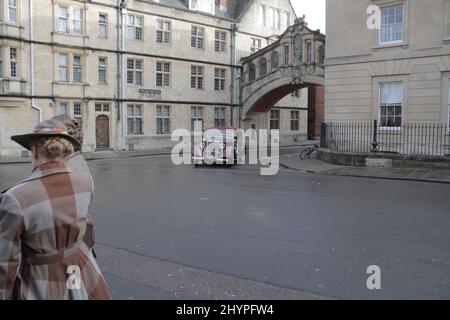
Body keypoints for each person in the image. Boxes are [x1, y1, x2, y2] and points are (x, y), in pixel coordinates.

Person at [0, 119, 111, 300]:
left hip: (43, 277)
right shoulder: (85, 182)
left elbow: (6, 264)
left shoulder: (15, 198)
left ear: (35, 150)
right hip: (82, 266)